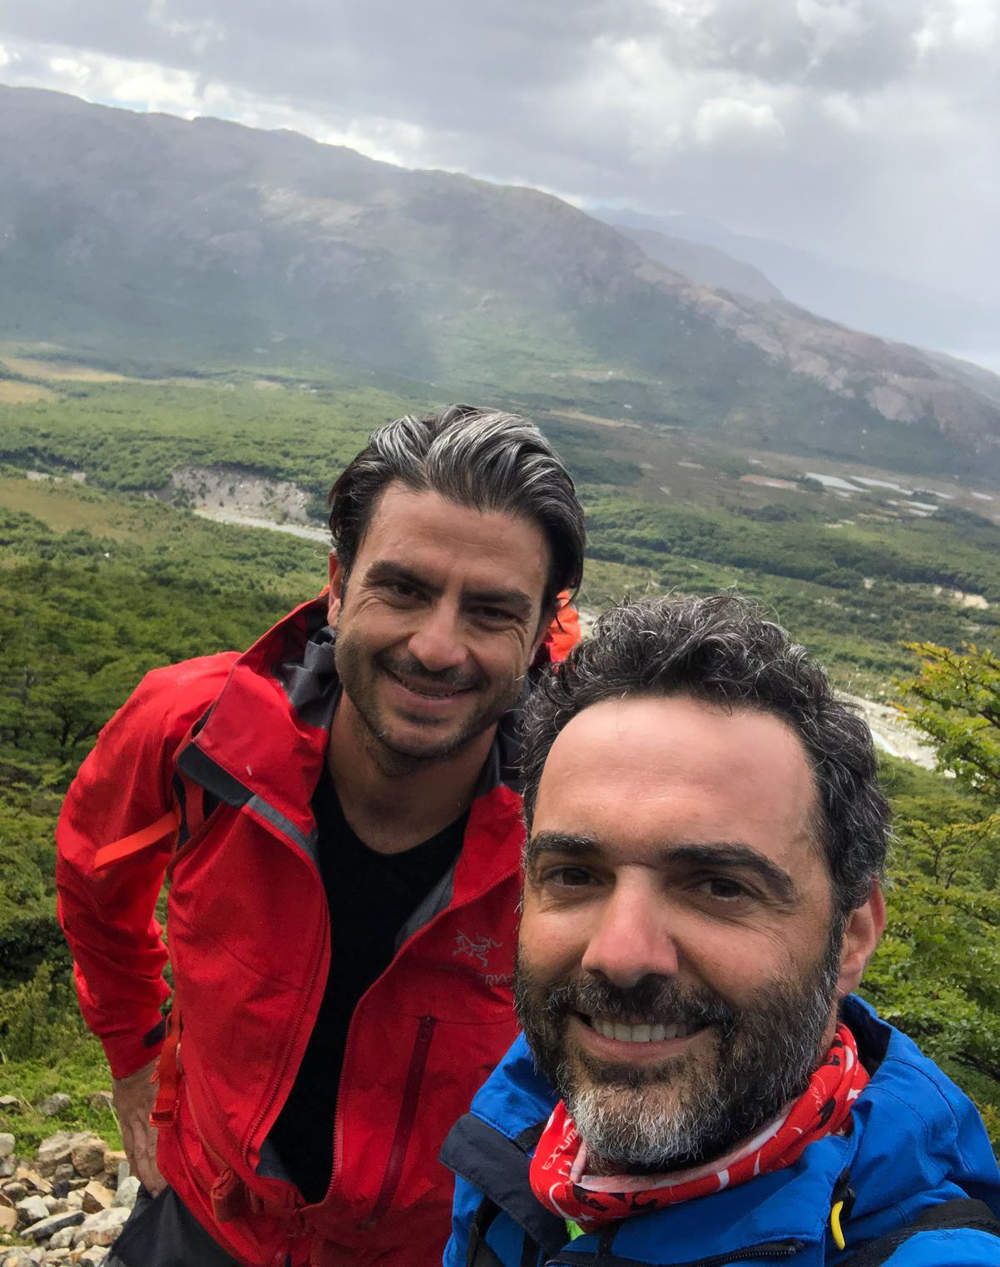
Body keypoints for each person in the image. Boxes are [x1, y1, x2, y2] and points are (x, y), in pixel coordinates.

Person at [56, 405, 586, 1267]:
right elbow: (93, 878)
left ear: (537, 637)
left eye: (490, 611)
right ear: (338, 584)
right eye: (405, 588)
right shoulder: (197, 734)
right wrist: (133, 1056)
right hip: (206, 1218)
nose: (438, 645)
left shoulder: (581, 832)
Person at [442, 595, 1000, 1266]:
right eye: (575, 875)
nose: (621, 955)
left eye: (718, 886)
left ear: (850, 935)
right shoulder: (521, 1136)